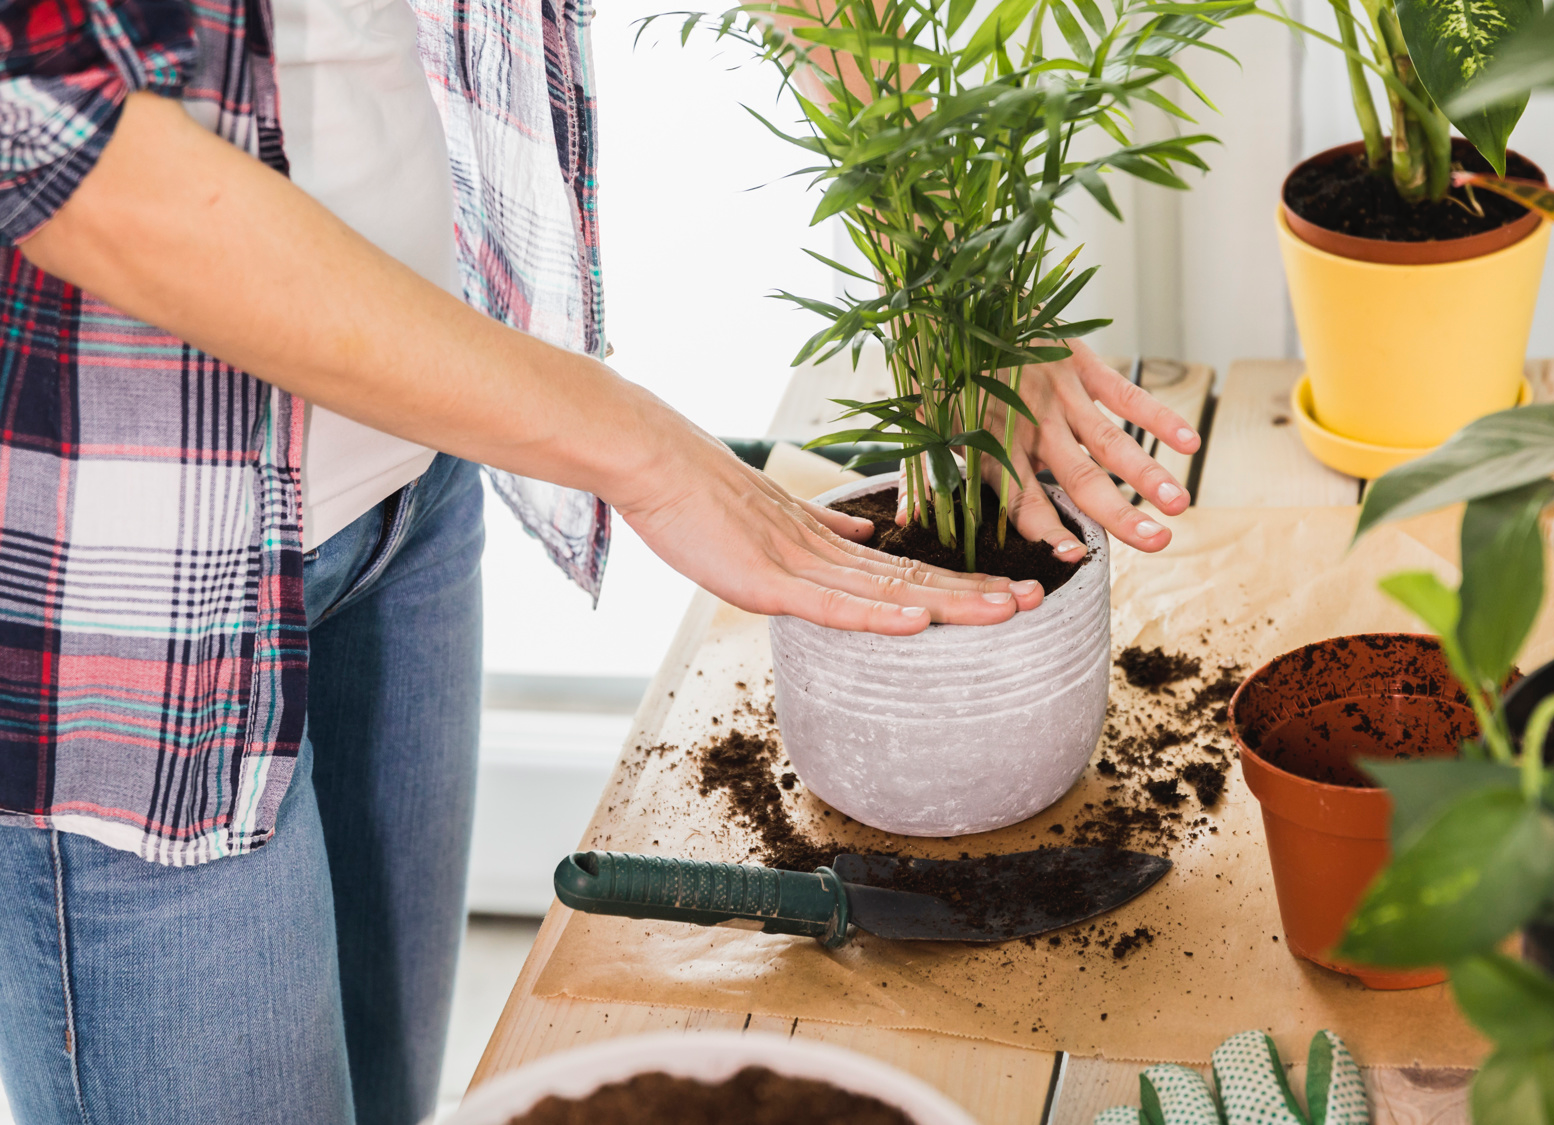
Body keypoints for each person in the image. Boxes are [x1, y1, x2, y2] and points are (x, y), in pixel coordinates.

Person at [0, 0, 1199, 1121]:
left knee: (389, 1091)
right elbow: (55, 136)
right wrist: (638, 450)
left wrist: (960, 259)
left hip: (409, 478)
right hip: (129, 596)